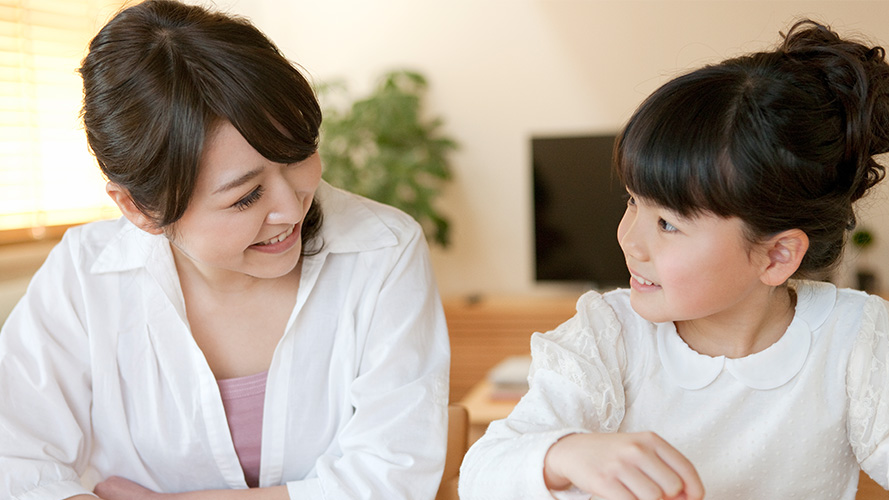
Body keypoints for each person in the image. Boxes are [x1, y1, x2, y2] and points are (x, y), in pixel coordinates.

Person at [0, 1, 450, 499]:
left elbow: (391, 481)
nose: (291, 207)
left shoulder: (382, 250)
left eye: (297, 156)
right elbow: (16, 466)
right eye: (246, 197)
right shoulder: (86, 277)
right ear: (138, 208)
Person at [459, 19, 889, 500]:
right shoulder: (608, 336)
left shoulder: (857, 339)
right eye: (631, 202)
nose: (628, 239)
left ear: (777, 255)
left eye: (667, 224)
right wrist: (565, 454)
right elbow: (482, 474)